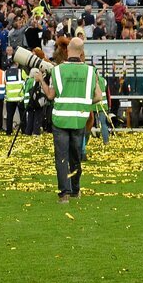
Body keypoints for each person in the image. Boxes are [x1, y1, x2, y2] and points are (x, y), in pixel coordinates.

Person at [37, 38, 104, 203]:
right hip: (80, 119)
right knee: (76, 156)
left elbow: (51, 95)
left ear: (67, 51)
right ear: (82, 52)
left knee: (61, 157)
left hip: (60, 119)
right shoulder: (90, 71)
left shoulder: (57, 70)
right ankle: (75, 189)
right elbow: (98, 96)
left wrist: (40, 81)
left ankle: (64, 194)